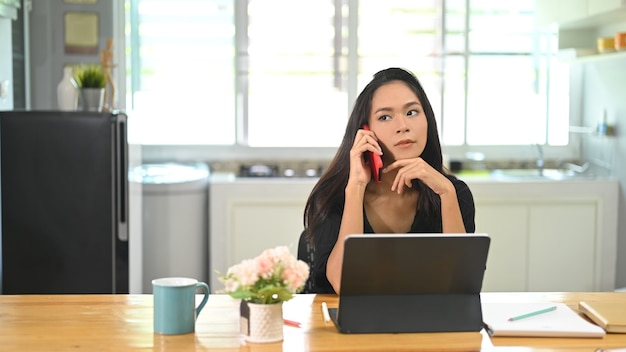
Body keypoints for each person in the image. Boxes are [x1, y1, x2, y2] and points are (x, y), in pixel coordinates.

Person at [302, 67, 475, 294]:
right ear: (365, 132)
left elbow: (460, 287)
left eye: (412, 112)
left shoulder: (453, 193)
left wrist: (447, 194)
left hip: (426, 324)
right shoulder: (331, 196)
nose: (403, 126)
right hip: (347, 324)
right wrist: (356, 188)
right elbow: (344, 284)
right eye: (385, 117)